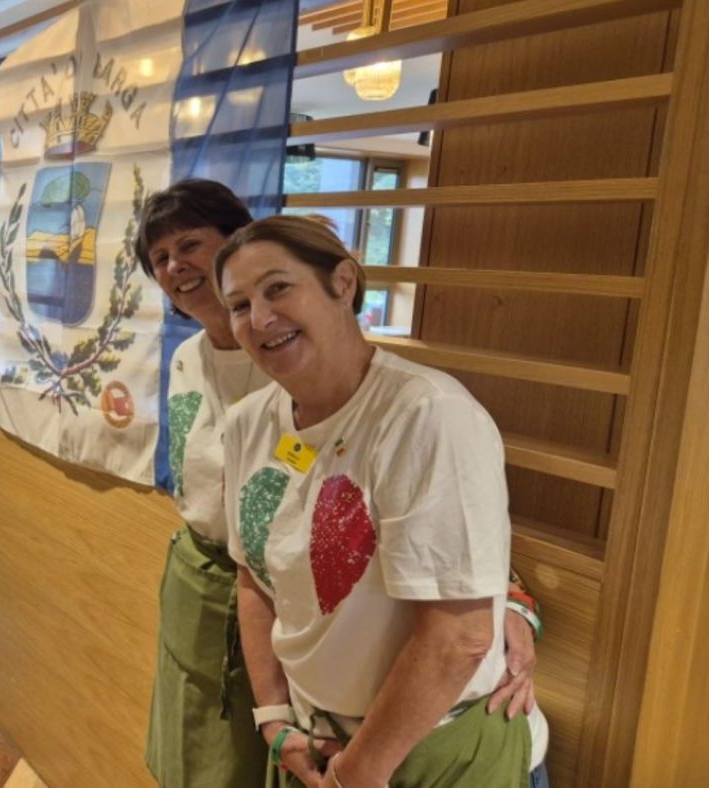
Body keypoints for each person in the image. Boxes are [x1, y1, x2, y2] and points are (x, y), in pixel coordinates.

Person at [213, 216, 550, 787]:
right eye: (240, 304)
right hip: (319, 741)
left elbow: (460, 636)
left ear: (343, 283)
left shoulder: (428, 415)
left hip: (438, 748)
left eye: (278, 288)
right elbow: (253, 580)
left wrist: (360, 770)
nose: (260, 319)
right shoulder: (249, 423)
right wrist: (273, 716)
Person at [134, 180, 271, 787]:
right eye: (160, 258)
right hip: (195, 574)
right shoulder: (187, 355)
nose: (175, 266)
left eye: (191, 244)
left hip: (273, 595)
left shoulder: (287, 355)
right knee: (183, 750)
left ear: (235, 240)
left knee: (244, 760)